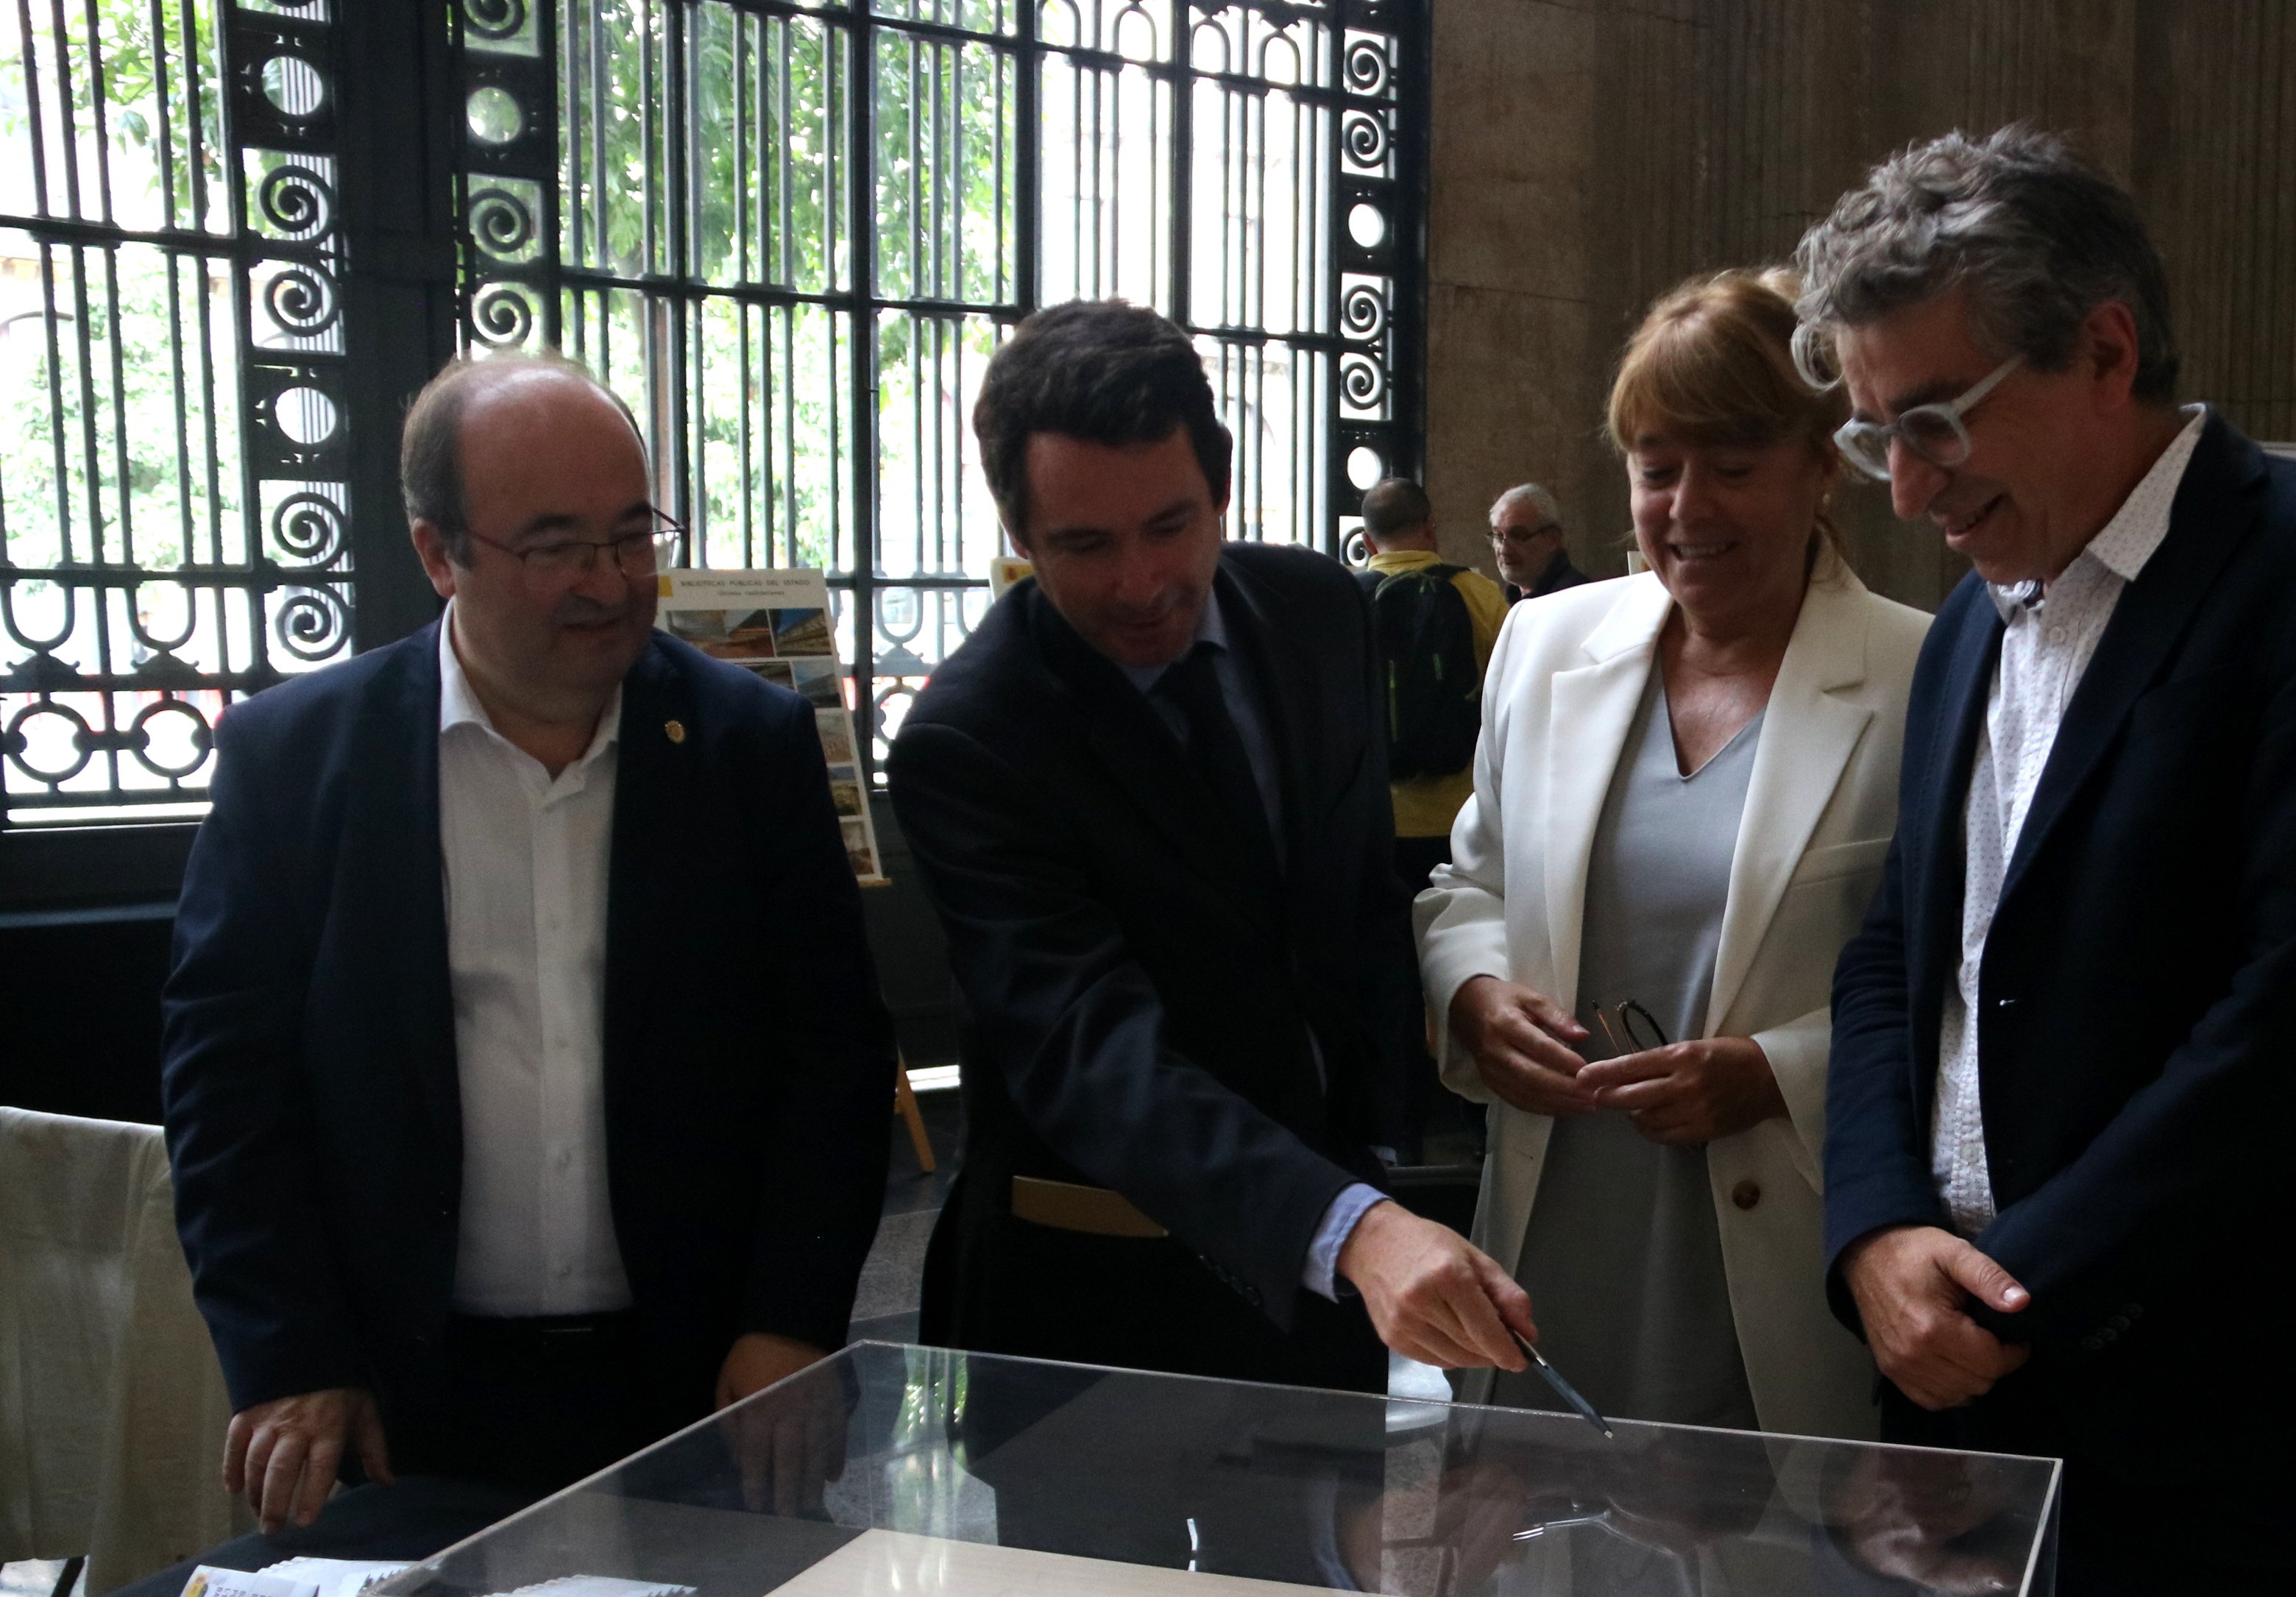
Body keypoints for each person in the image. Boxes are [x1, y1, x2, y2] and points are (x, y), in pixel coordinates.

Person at [1802, 125, 2296, 1597]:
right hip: (1954, 1362)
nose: (1905, 492)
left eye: (1935, 424)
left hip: (2191, 1390)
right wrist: (1877, 1229)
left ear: (2104, 349)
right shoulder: (1980, 612)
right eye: (1870, 438)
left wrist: (2018, 1283)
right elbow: (1905, 948)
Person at [161, 356, 897, 1529]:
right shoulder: (302, 760)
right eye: (555, 545)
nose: (608, 583)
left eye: (630, 533)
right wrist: (290, 1351)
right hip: (405, 1394)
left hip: (699, 1381)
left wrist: (791, 1319)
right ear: (438, 553)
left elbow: (833, 1056)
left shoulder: (743, 746)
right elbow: (225, 1089)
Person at [890, 301, 1531, 1390]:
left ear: (1222, 489)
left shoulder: (1321, 607)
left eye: (1170, 526)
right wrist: (1352, 1225)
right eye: (1084, 546)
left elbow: (1352, 886)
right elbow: (1092, 1052)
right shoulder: (972, 737)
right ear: (1018, 534)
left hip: (1325, 1292)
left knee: (1326, 1564)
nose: (1140, 583)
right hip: (1087, 1310)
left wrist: (1402, 1088)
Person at [1418, 271, 1930, 1437]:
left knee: (1769, 1596)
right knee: (1531, 1586)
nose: (1687, 507)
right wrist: (1477, 993)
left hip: (1776, 1248)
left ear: (1824, 462)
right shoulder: (1544, 645)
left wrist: (1775, 1070)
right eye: (1656, 468)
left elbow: (1954, 990)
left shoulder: (1923, 676)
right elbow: (1471, 886)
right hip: (1556, 1223)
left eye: (1734, 467)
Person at [1358, 475, 1509, 885]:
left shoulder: (1342, 600)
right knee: (1456, 935)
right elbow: (1510, 696)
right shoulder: (1479, 593)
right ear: (1430, 527)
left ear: (1369, 542)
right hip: (1461, 814)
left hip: (1373, 813)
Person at [1489, 482, 1592, 601]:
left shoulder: (1575, 598)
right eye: (1498, 536)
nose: (1504, 550)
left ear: (1553, 539)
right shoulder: (1511, 598)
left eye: (1518, 536)